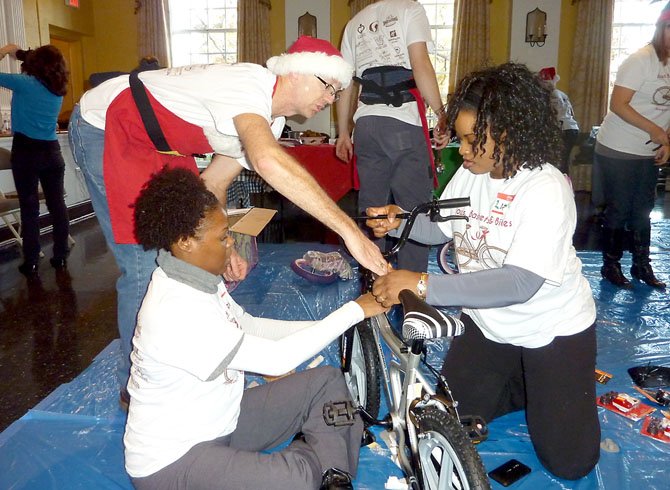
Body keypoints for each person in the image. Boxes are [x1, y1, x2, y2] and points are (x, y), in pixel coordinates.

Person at [68, 36, 388, 401]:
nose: (331, 99)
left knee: (191, 248)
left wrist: (227, 246)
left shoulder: (274, 121)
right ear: (296, 72)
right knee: (143, 263)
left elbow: (215, 182)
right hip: (108, 125)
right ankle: (139, 388)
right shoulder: (248, 84)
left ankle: (190, 350)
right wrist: (350, 232)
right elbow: (268, 162)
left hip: (163, 145)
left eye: (336, 92)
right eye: (328, 86)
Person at [366, 63, 600, 480]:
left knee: (571, 463)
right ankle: (525, 379)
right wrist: (399, 220)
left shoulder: (545, 188)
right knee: (448, 422)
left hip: (551, 327)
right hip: (490, 326)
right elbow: (439, 227)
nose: (463, 150)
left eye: (474, 140)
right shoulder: (471, 173)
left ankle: (542, 378)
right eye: (460, 138)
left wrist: (422, 283)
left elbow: (520, 282)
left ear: (509, 133)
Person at [125, 166, 387, 490]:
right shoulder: (174, 310)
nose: (231, 243)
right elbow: (276, 361)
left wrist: (322, 325)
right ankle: (325, 460)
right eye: (223, 237)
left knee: (328, 382)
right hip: (174, 462)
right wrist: (354, 310)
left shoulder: (197, 278)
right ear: (184, 242)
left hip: (224, 420)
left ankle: (332, 472)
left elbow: (249, 325)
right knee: (301, 477)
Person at [335, 0, 449, 273]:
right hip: (402, 124)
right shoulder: (410, 10)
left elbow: (345, 83)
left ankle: (373, 279)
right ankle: (410, 287)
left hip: (366, 126)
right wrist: (442, 113)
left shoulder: (354, 23)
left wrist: (342, 133)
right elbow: (420, 64)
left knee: (372, 209)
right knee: (412, 211)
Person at [593, 5, 670, 290]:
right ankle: (610, 267)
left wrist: (667, 142)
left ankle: (641, 266)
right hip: (618, 148)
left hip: (648, 149)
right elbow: (618, 104)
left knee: (643, 210)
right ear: (662, 29)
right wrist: (655, 130)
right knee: (620, 208)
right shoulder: (641, 60)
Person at [0, 44, 70, 276]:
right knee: (57, 205)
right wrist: (20, 53)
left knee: (29, 208)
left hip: (26, 151)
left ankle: (30, 260)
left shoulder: (25, 83)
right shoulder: (57, 88)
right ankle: (60, 256)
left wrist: (4, 51)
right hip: (52, 152)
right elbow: (41, 64)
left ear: (35, 64)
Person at [539, 66, 579, 175]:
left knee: (559, 161)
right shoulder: (561, 94)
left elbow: (555, 114)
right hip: (569, 128)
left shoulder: (553, 95)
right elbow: (571, 113)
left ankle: (562, 184)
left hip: (564, 129)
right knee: (561, 160)